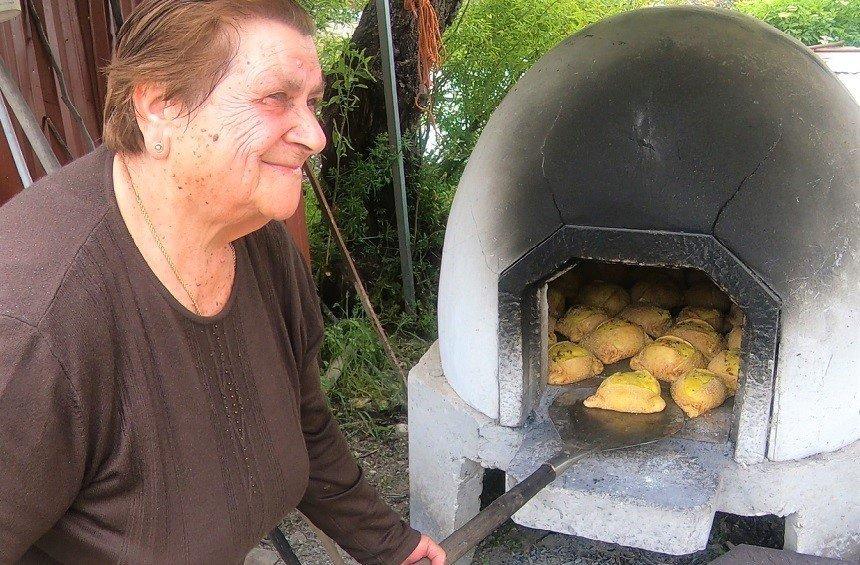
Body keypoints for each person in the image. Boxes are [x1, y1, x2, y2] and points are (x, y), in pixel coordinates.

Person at [0, 1, 445, 563]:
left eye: (311, 103)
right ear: (161, 106)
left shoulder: (255, 236)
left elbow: (303, 421)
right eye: (275, 99)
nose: (315, 135)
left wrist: (388, 546)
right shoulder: (32, 323)